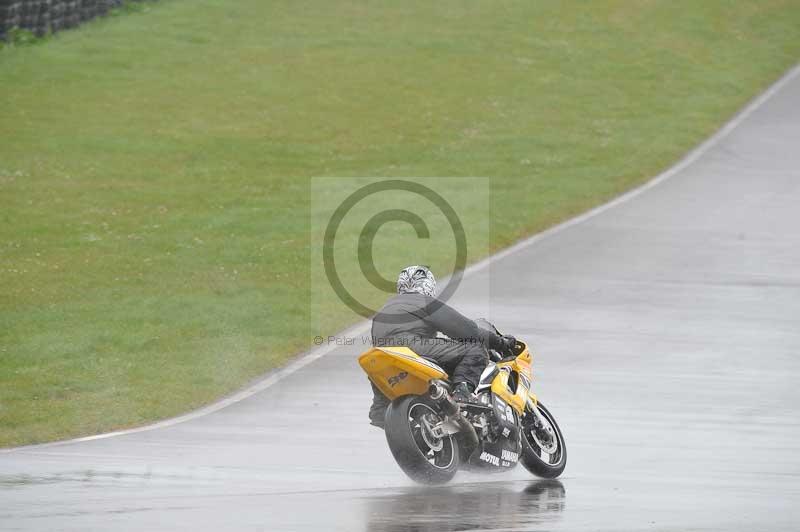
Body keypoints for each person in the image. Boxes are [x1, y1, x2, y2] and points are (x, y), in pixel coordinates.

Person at [368, 265, 516, 428]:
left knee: (379, 371)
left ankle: (380, 408)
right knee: (475, 349)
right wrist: (501, 342)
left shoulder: (383, 309)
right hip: (414, 347)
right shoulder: (424, 302)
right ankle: (462, 393)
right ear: (428, 284)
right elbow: (466, 330)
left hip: (383, 356)